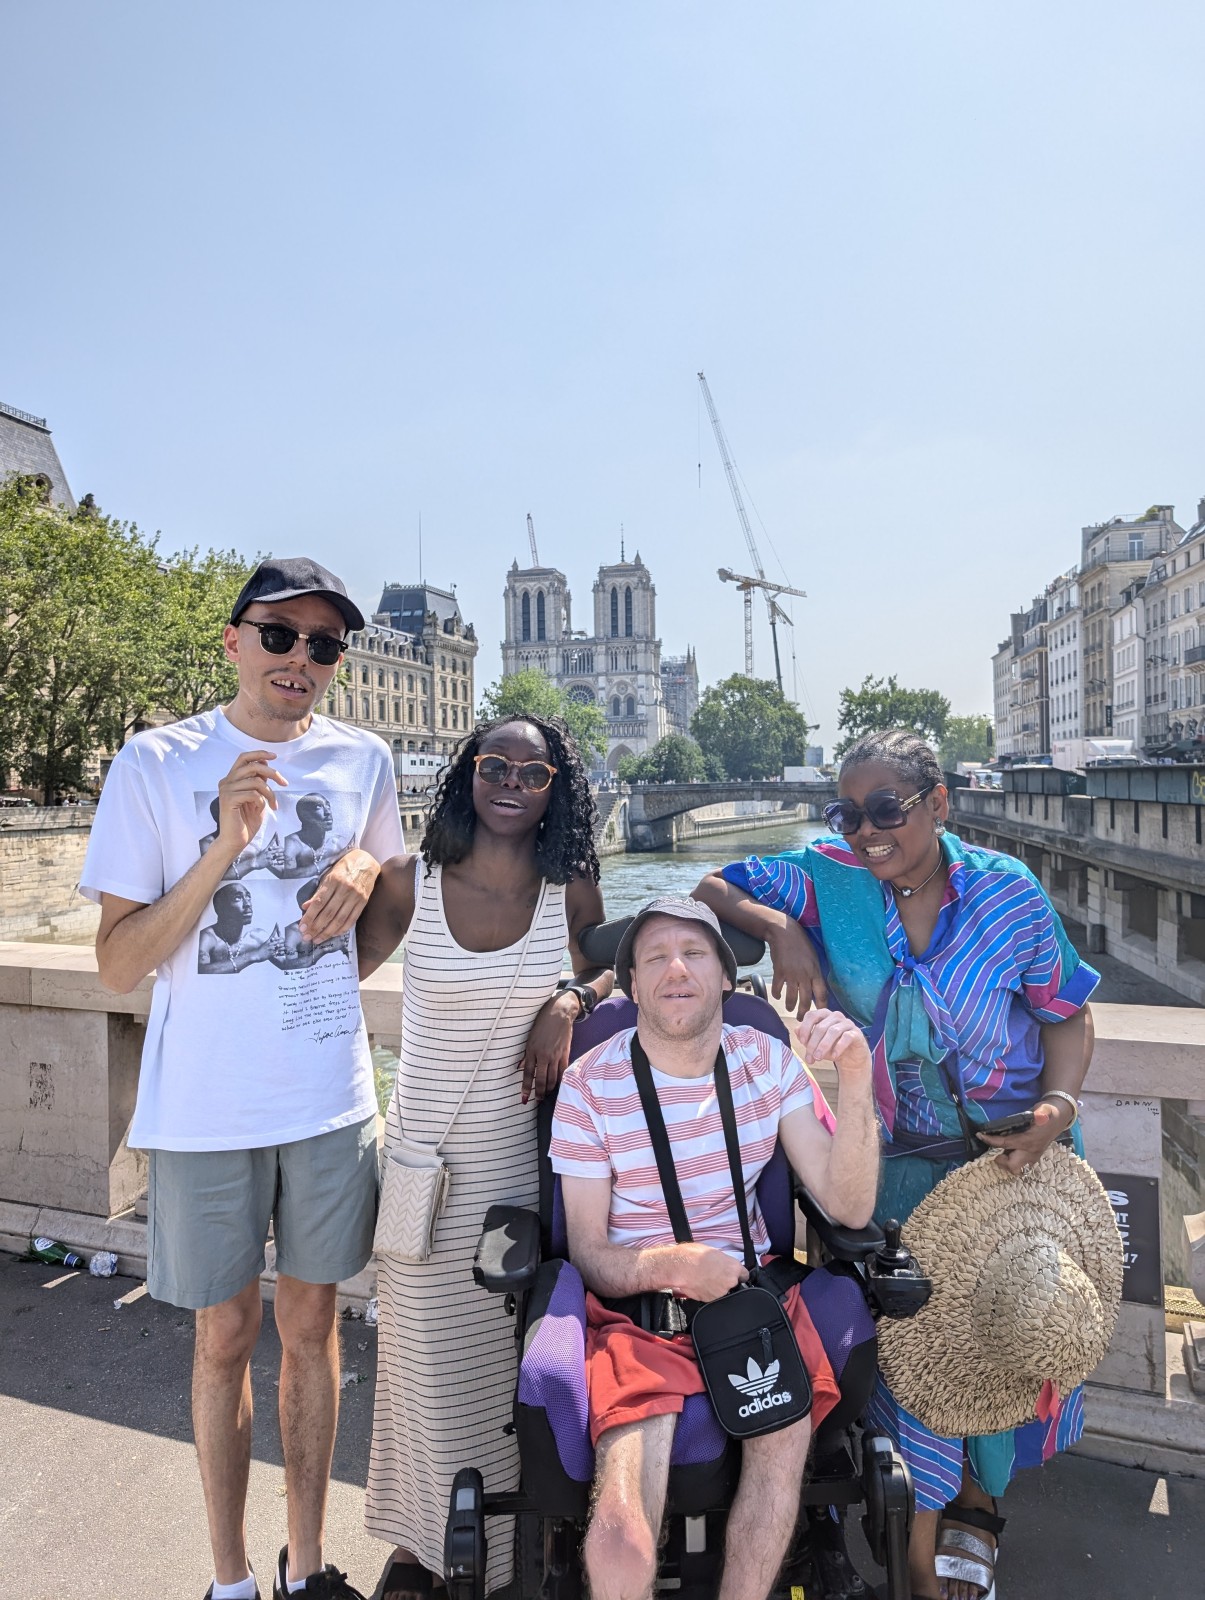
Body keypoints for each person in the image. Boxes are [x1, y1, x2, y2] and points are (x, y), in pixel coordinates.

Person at [695, 728, 1100, 1600]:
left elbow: (1066, 1013)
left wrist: (1056, 1111)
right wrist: (779, 930)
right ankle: (922, 1555)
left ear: (938, 803)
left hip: (1007, 1170)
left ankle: (976, 1513)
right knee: (915, 1363)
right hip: (887, 1175)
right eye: (850, 813)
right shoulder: (826, 875)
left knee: (1002, 1341)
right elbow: (709, 884)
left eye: (888, 809)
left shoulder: (1008, 895)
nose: (868, 831)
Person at [83, 556, 403, 1600]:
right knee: (222, 1335)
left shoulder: (365, 762)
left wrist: (370, 870)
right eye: (280, 635)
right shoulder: (153, 761)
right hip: (208, 1106)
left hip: (327, 1098)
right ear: (232, 641)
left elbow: (383, 924)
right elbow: (121, 962)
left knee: (311, 1333)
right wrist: (223, 845)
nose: (301, 659)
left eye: (324, 644)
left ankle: (305, 1564)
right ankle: (227, 1578)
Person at [548, 897, 880, 1600]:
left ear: (725, 977)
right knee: (621, 1511)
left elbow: (847, 1206)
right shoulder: (587, 1086)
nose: (675, 969)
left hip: (754, 1301)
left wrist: (853, 1074)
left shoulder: (767, 1060)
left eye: (694, 953)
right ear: (632, 984)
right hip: (638, 1310)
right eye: (654, 957)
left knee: (781, 1448)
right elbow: (588, 1253)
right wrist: (671, 1266)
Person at [356, 713, 614, 1600]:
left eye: (531, 772)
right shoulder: (407, 881)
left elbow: (610, 966)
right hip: (420, 1158)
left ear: (554, 790)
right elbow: (321, 976)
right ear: (467, 771)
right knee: (420, 1362)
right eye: (492, 763)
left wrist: (570, 999)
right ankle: (423, 1541)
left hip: (514, 1164)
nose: (509, 781)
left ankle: (516, 1539)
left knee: (510, 1362)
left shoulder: (568, 886)